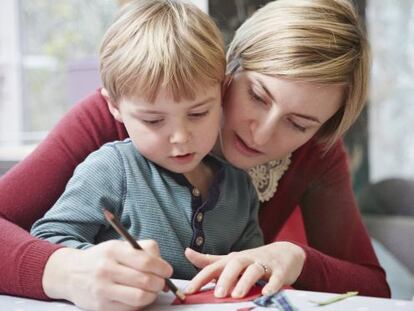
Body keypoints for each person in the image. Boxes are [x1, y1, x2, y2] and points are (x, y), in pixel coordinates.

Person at [0, 0, 390, 310]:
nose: (263, 132)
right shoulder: (128, 111)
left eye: (299, 124)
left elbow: (374, 288)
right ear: (227, 71)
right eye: (257, 96)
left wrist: (295, 257)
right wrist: (66, 271)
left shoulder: (314, 154)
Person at [30, 0, 263, 284]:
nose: (180, 137)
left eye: (198, 113)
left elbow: (253, 270)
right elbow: (48, 238)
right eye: (153, 121)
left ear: (223, 92)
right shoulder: (112, 169)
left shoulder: (240, 188)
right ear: (114, 106)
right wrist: (101, 265)